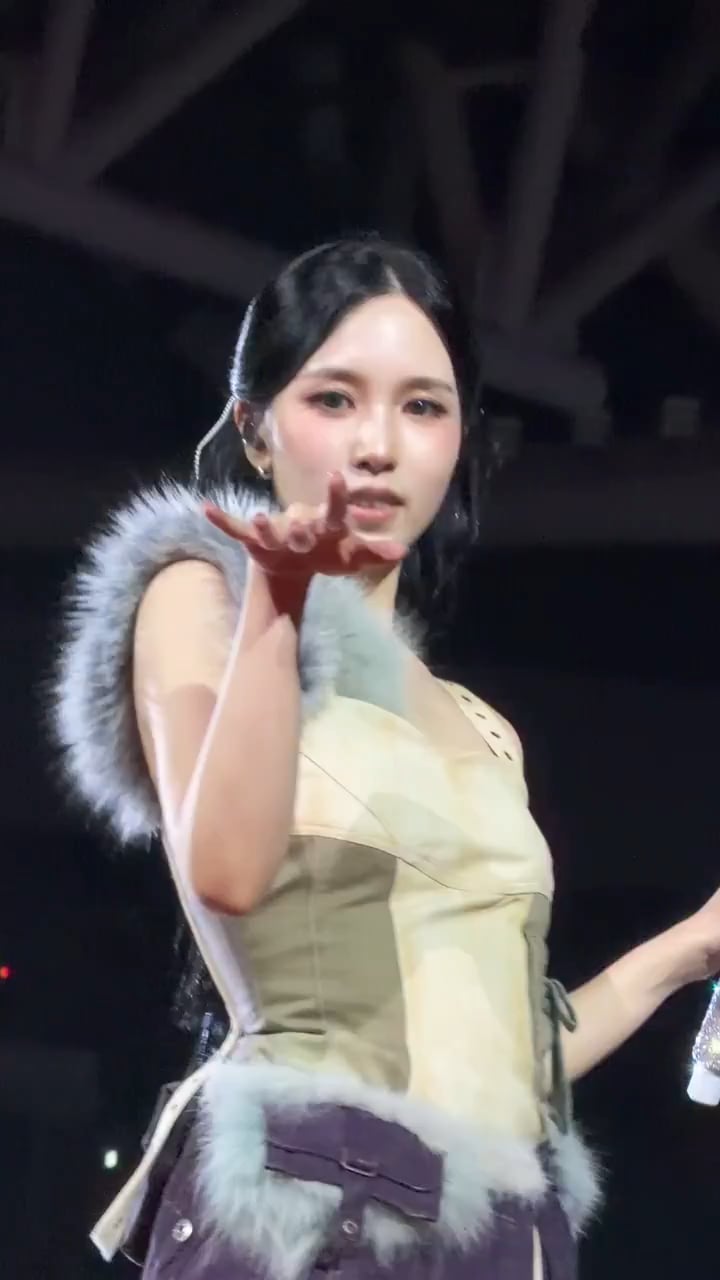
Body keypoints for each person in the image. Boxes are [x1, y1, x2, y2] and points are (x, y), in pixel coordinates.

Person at [52, 238, 720, 1279]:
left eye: (422, 406)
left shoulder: (483, 728)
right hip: (318, 1214)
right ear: (255, 429)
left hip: (502, 1236)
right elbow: (224, 869)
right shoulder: (203, 598)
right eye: (334, 398)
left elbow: (503, 1067)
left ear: (460, 439)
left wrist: (688, 949)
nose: (377, 444)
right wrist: (278, 607)